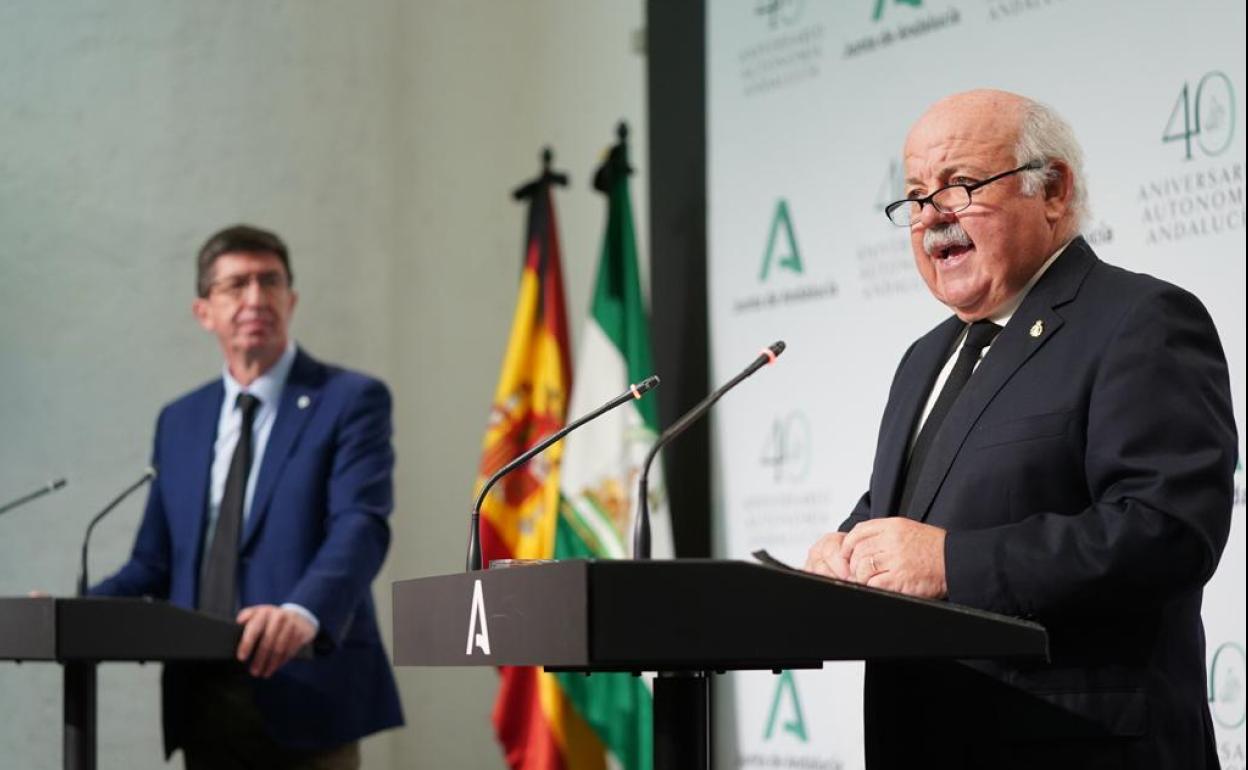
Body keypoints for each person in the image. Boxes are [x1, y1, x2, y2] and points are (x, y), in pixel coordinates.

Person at [803, 90, 1235, 769]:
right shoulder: (925, 359)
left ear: (1054, 189)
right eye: (916, 197)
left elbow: (1167, 533)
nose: (931, 218)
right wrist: (848, 555)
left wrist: (949, 564)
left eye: (961, 186)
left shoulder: (1140, 321)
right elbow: (910, 515)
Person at [92, 224, 403, 769]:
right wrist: (72, 612)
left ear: (292, 299)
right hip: (203, 696)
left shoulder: (349, 400)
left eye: (270, 281)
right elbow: (153, 562)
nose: (255, 298)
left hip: (308, 688)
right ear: (204, 311)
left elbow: (361, 523)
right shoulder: (181, 420)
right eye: (236, 285)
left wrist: (303, 611)